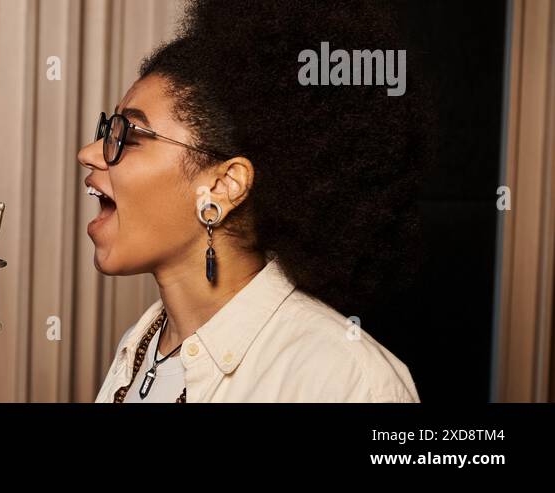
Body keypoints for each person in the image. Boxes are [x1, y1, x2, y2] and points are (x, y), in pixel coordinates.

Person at [81, 0, 425, 403]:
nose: (89, 152)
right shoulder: (139, 348)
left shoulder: (346, 381)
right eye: (109, 128)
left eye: (130, 134)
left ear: (224, 187)